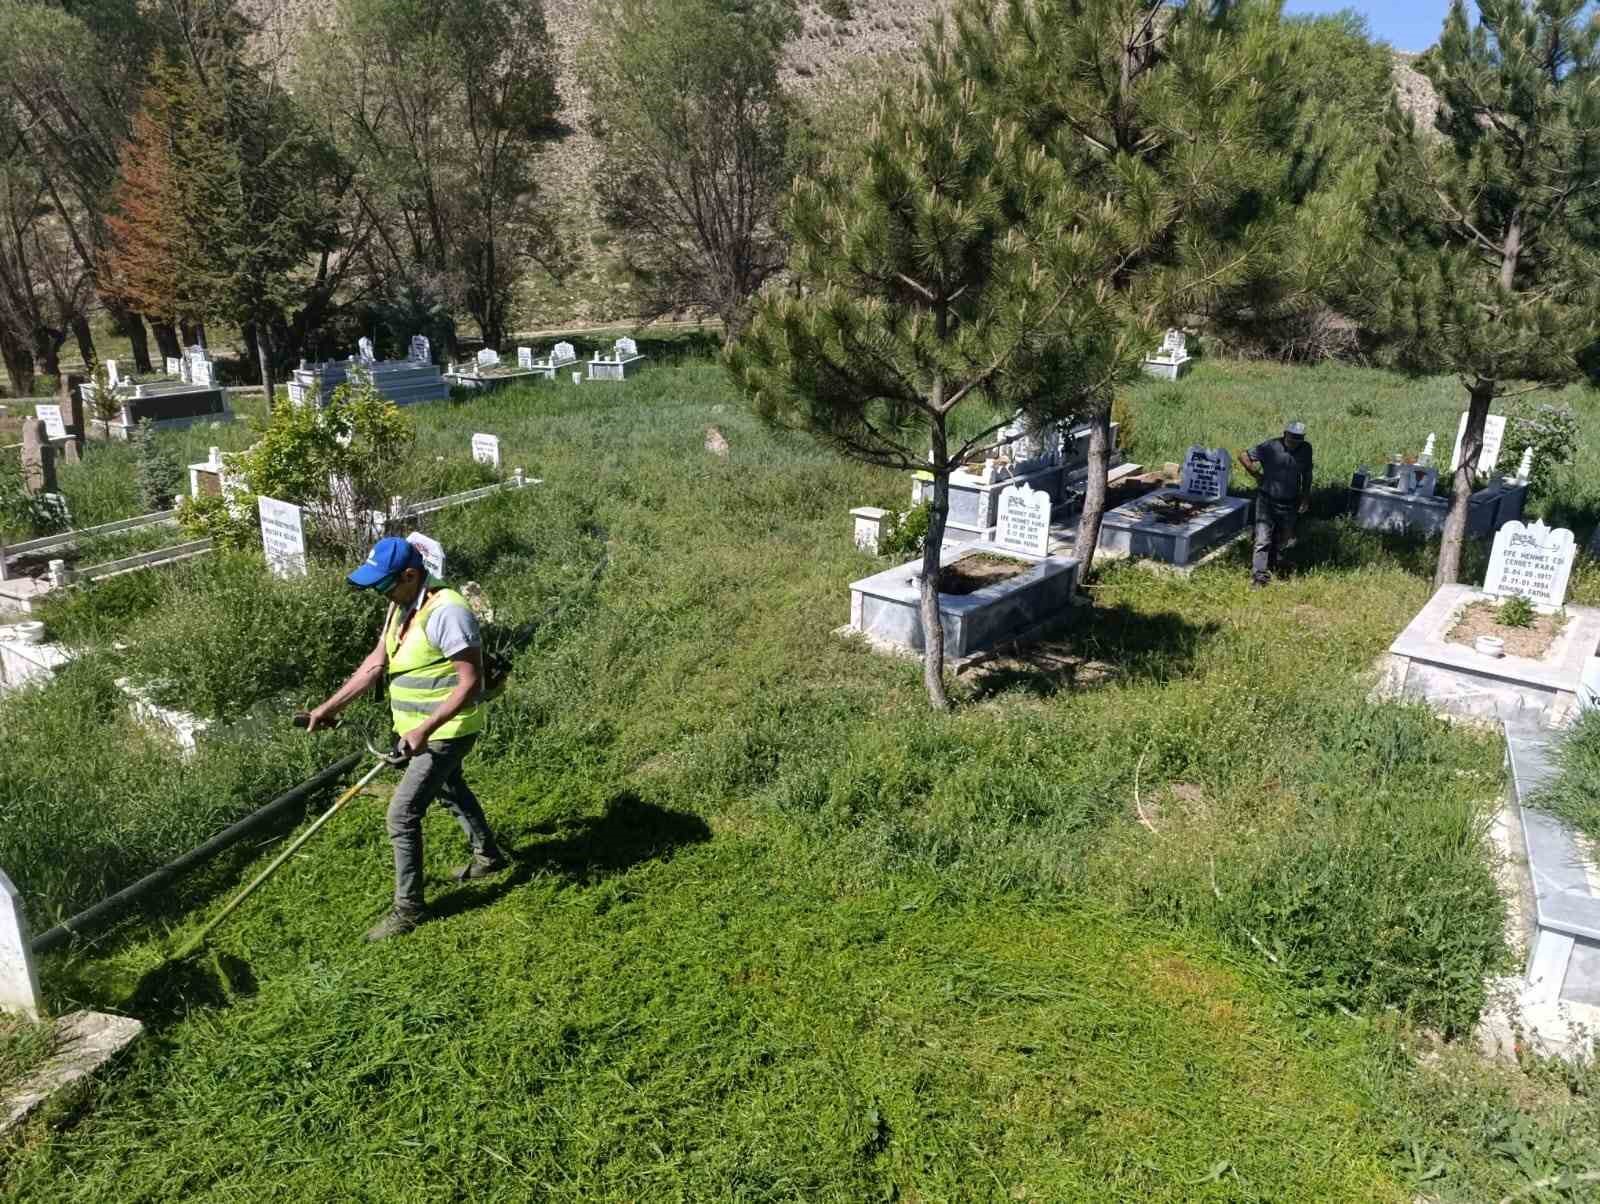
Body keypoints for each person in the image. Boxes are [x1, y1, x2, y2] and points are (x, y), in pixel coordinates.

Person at [306, 536, 508, 940]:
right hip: (419, 730)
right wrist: (329, 707)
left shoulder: (448, 612)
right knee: (450, 787)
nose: (379, 593)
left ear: (411, 575)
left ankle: (409, 909)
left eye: (383, 584)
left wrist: (423, 730)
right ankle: (488, 857)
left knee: (401, 814)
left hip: (448, 730)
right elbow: (374, 664)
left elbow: (470, 684)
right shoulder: (400, 606)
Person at [1237, 421, 1313, 587]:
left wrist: (1306, 497)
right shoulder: (1270, 446)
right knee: (1262, 539)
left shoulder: (1306, 449)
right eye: (1292, 437)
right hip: (1267, 500)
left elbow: (1307, 474)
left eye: (1299, 438)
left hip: (1291, 502)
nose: (1295, 441)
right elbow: (1243, 455)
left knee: (1285, 539)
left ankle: (1275, 566)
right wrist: (1256, 474)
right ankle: (1259, 577)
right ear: (1285, 434)